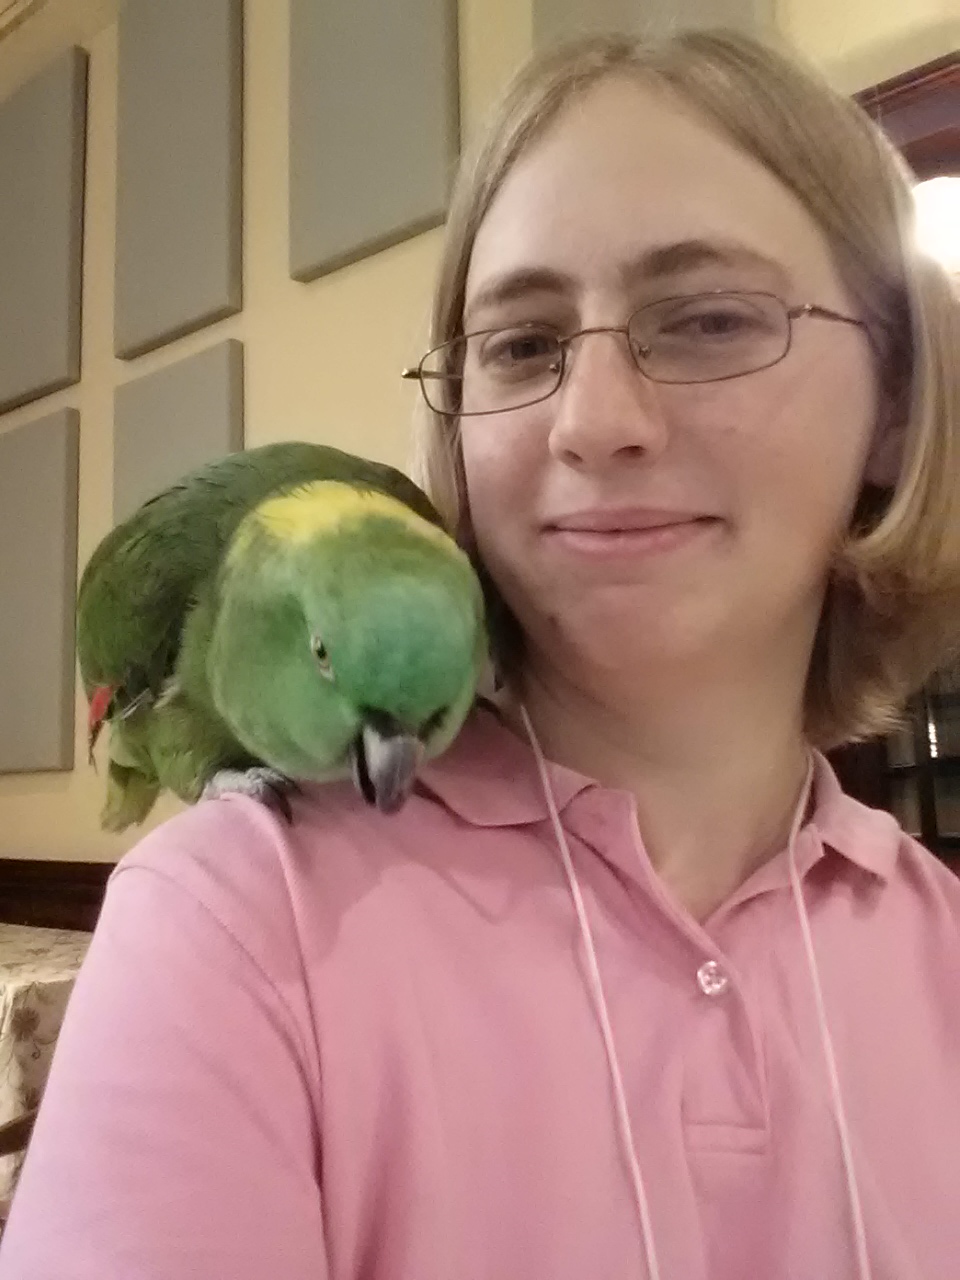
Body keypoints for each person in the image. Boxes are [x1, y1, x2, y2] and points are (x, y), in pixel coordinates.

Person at [2, 27, 959, 1280]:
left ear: (895, 402)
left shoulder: (938, 946)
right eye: (519, 344)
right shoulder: (238, 918)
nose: (595, 421)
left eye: (710, 319)